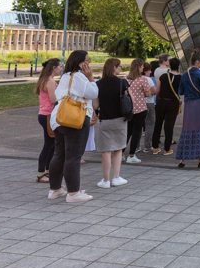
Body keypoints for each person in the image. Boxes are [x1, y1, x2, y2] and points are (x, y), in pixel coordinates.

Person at [49, 50, 98, 202]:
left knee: (59, 154)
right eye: (87, 61)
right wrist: (90, 77)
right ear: (81, 63)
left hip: (59, 118)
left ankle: (55, 189)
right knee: (74, 156)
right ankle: (73, 193)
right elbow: (93, 93)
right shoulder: (79, 77)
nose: (89, 64)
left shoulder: (65, 76)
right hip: (74, 119)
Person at [93, 58, 129, 188]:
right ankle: (116, 177)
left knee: (106, 151)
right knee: (118, 149)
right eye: (119, 66)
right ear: (114, 67)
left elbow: (95, 104)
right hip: (120, 119)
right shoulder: (122, 83)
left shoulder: (99, 84)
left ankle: (106, 180)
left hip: (105, 119)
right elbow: (131, 101)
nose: (120, 68)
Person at [176, 51, 200, 168]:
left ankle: (182, 160)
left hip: (189, 104)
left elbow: (181, 91)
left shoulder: (185, 75)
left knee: (187, 130)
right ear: (197, 61)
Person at [34, 57, 60, 184]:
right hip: (48, 115)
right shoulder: (49, 81)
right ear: (54, 68)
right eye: (60, 66)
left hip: (45, 115)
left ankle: (49, 171)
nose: (61, 69)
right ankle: (40, 173)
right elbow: (53, 100)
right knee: (49, 145)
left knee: (52, 144)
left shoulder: (45, 79)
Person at [153, 57, 182, 155]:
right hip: (173, 103)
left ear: (169, 65)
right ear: (178, 66)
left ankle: (155, 147)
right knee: (169, 125)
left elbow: (157, 91)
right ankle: (167, 148)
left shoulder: (163, 76)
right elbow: (181, 91)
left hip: (161, 101)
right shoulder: (181, 78)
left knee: (158, 124)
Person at [125, 59, 153, 163]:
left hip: (129, 109)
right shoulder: (143, 79)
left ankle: (121, 153)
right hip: (140, 108)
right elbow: (148, 94)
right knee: (136, 132)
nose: (142, 68)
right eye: (141, 66)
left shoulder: (125, 79)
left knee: (127, 132)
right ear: (138, 67)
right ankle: (131, 155)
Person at [141, 60, 159, 153]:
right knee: (150, 124)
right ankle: (147, 145)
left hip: (138, 103)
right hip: (149, 103)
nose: (150, 72)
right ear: (145, 71)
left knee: (138, 125)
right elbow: (154, 91)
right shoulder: (148, 79)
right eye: (149, 70)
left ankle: (136, 146)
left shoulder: (134, 78)